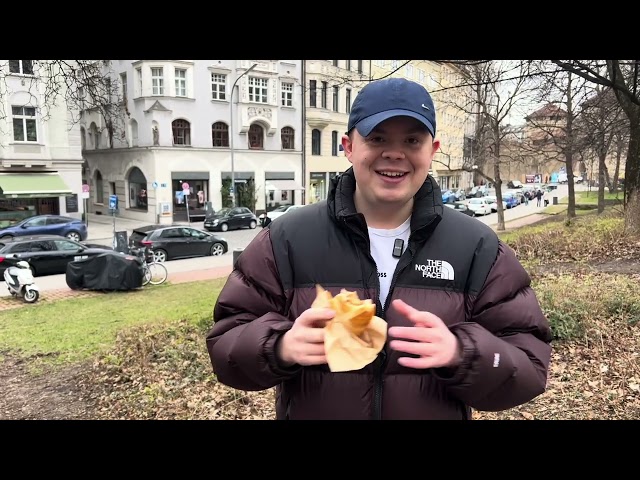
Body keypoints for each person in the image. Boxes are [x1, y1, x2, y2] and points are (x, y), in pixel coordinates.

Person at [205, 77, 552, 420]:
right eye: (377, 138)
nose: (394, 153)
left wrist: (463, 352)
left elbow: (530, 365)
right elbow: (226, 346)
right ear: (349, 146)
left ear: (432, 151)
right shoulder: (287, 238)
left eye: (412, 140)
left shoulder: (477, 247)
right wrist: (278, 346)